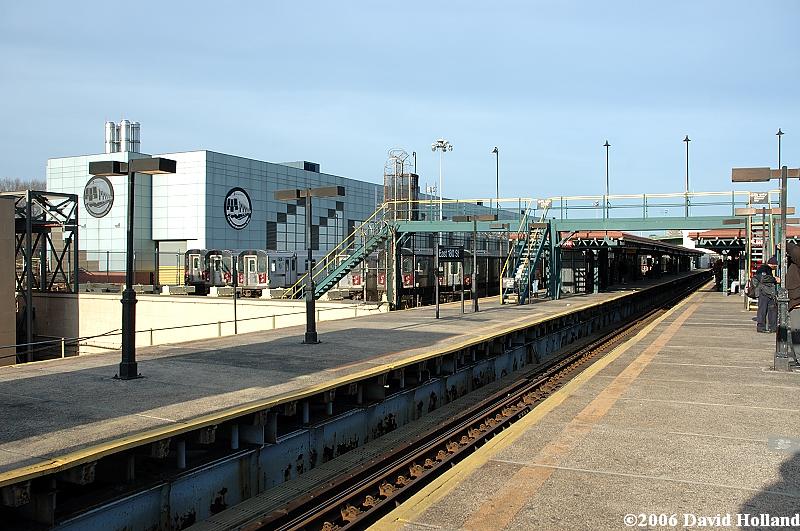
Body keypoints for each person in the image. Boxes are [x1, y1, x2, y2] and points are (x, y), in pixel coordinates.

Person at [755, 256, 778, 333]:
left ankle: (772, 327)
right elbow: (763, 278)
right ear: (773, 264)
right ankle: (761, 327)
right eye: (776, 266)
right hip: (763, 293)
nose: (776, 268)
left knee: (771, 310)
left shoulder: (767, 269)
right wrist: (774, 279)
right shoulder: (763, 269)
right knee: (763, 310)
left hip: (768, 293)